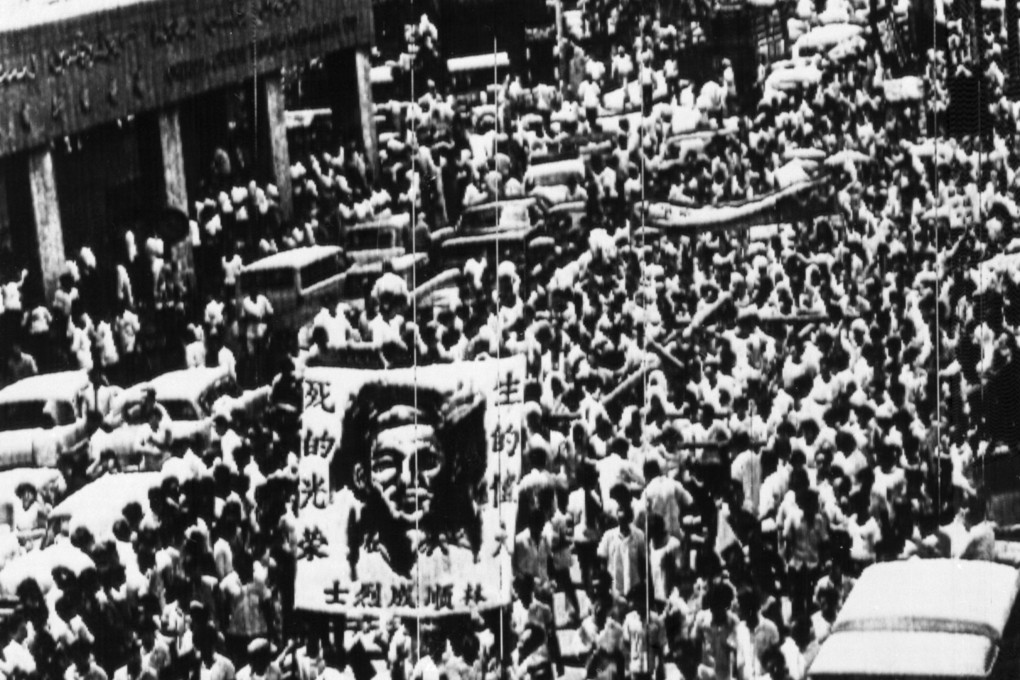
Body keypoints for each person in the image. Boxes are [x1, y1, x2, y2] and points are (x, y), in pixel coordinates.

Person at [332, 381, 487, 579]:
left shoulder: (466, 560)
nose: (407, 479)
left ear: (450, 469)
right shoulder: (349, 561)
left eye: (426, 462)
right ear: (362, 477)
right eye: (386, 464)